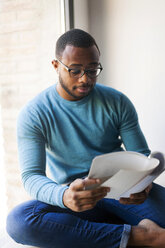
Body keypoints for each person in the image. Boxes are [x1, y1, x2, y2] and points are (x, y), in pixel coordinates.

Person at [6, 28, 165, 248]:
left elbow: (141, 155)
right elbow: (31, 176)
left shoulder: (118, 102)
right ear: (56, 66)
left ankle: (110, 231)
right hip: (75, 195)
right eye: (75, 70)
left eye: (92, 70)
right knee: (20, 222)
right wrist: (63, 196)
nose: (85, 79)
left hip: (123, 191)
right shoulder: (34, 113)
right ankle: (143, 236)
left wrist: (143, 185)